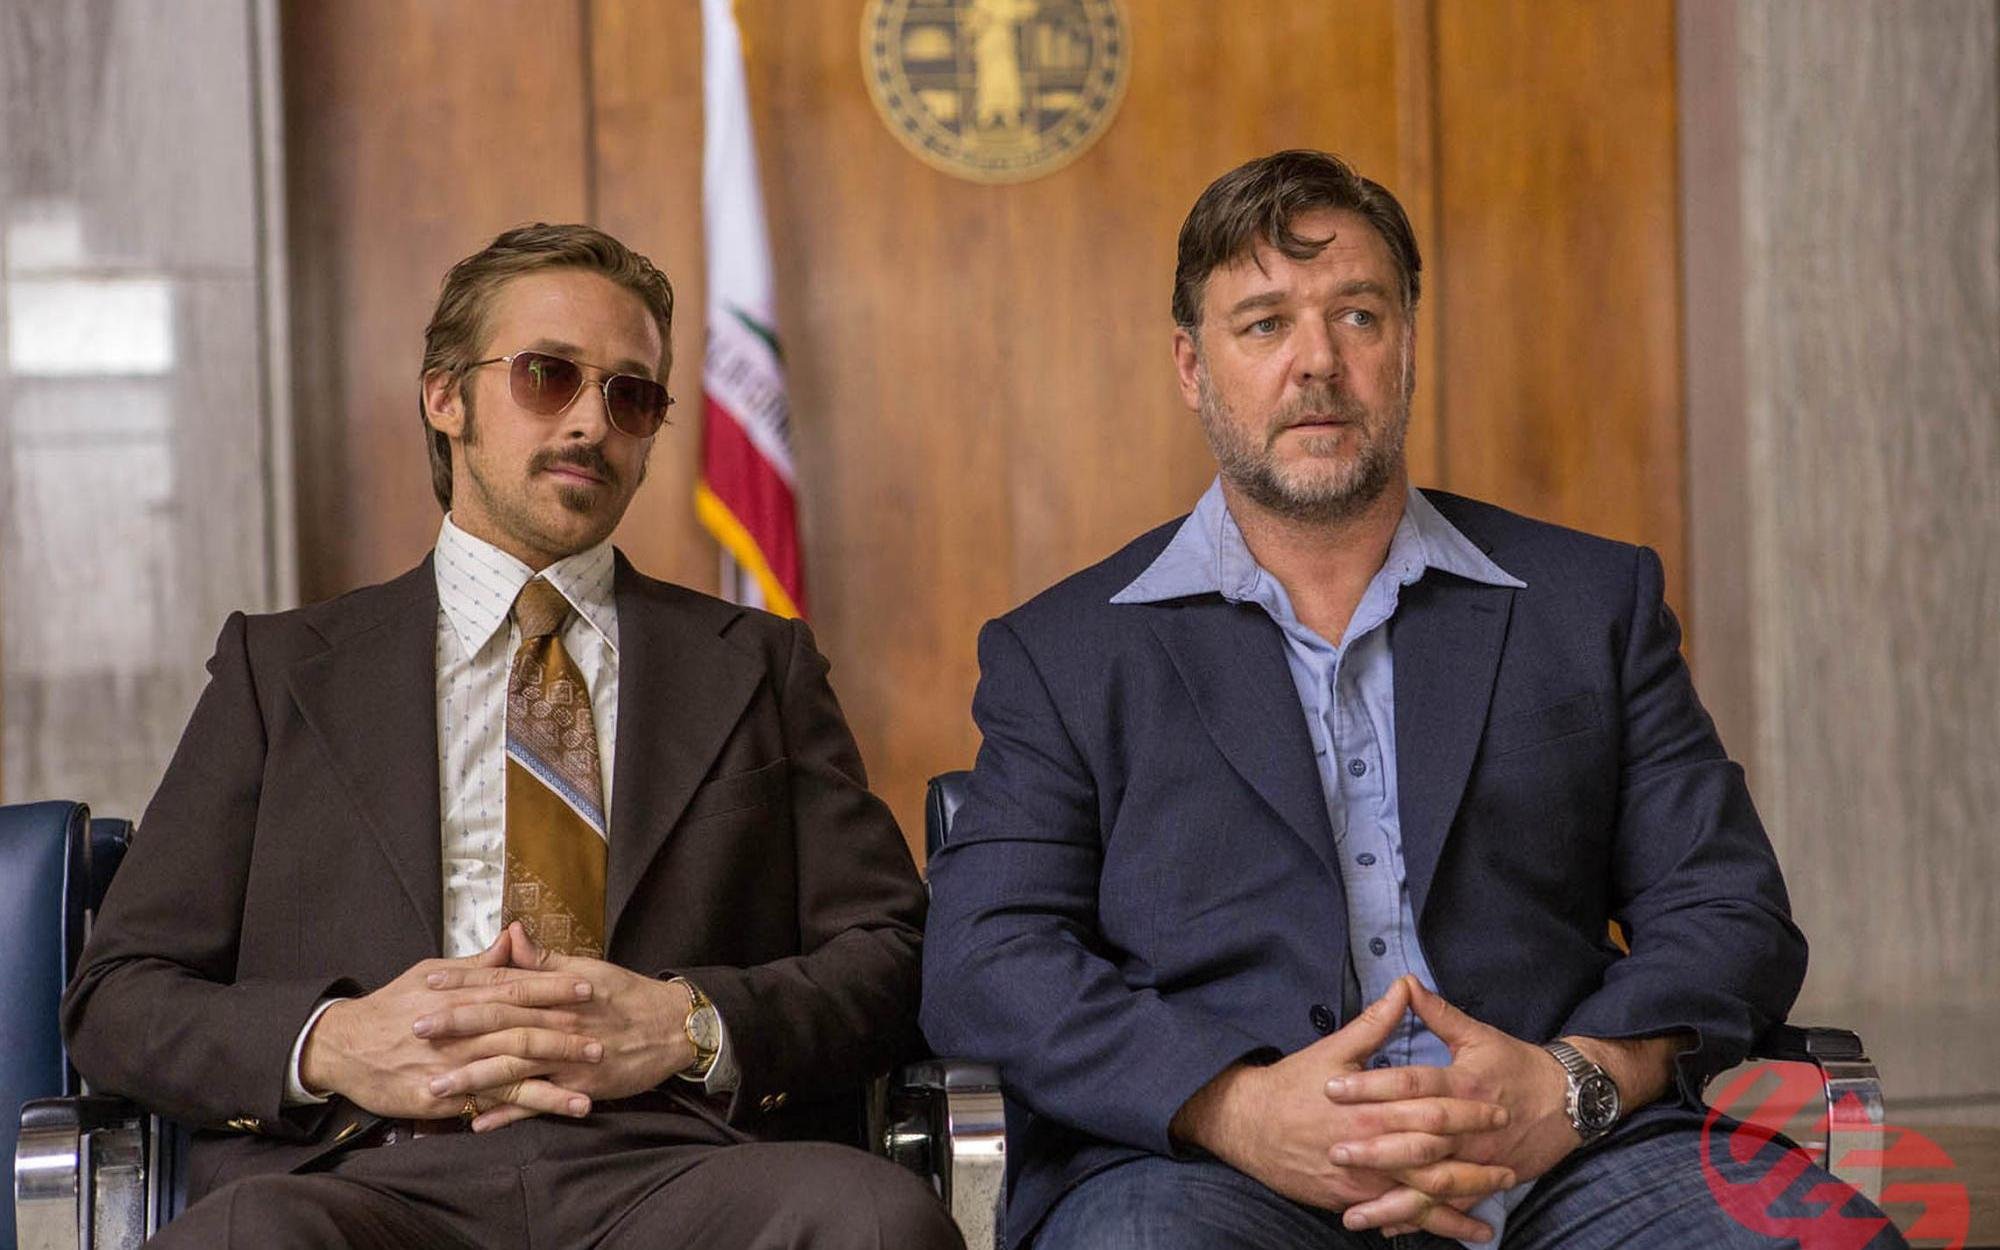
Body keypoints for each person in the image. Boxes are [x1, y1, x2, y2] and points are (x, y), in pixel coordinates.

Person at [920, 151, 1906, 1249]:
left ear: (1408, 345)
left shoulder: (1588, 602)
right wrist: (1236, 1108)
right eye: (1264, 324)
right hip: (1210, 1174)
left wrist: (1574, 1081)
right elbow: (984, 957)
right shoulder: (1065, 652)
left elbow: (1727, 910)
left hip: (1570, 1155)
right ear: (1191, 367)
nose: (1317, 362)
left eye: (1358, 314)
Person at [64, 224, 962, 1250]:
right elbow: (118, 997)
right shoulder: (279, 672)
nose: (591, 422)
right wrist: (335, 1042)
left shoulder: (760, 664)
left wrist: (689, 1023)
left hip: (681, 1163)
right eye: (548, 375)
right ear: (445, 398)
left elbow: (893, 957)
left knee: (874, 1221)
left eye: (632, 396)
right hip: (367, 1171)